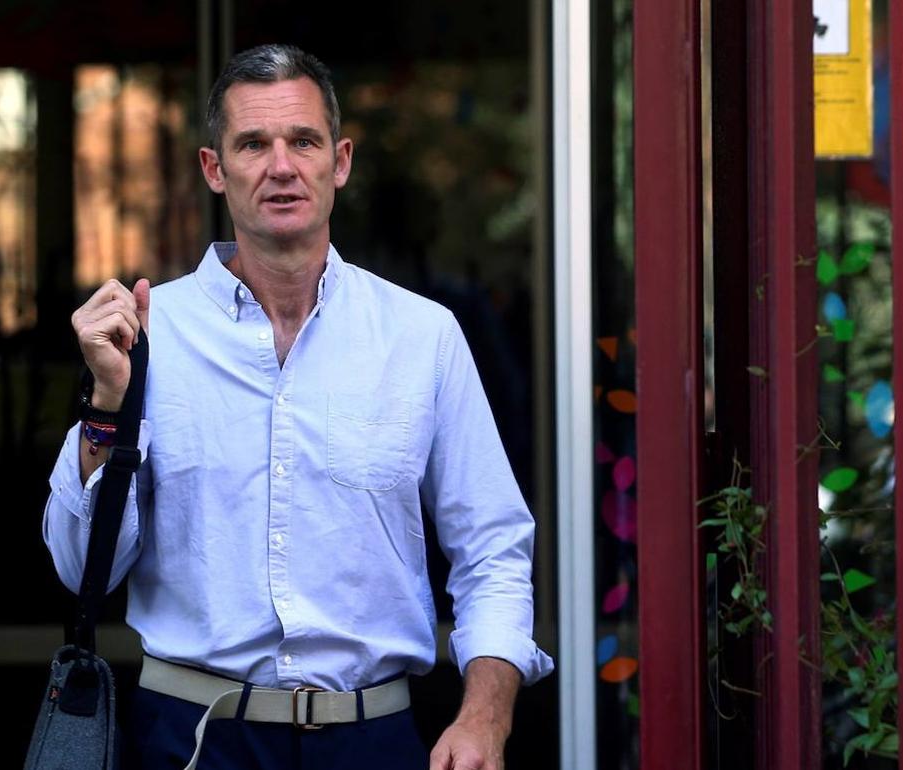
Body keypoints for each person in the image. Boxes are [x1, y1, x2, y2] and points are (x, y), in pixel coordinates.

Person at [43, 43, 552, 770]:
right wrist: (107, 402)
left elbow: (493, 548)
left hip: (372, 741)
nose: (281, 166)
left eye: (303, 141)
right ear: (214, 168)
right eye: (253, 144)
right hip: (191, 740)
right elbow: (78, 569)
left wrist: (485, 719)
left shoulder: (422, 336)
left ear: (339, 162)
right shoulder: (148, 332)